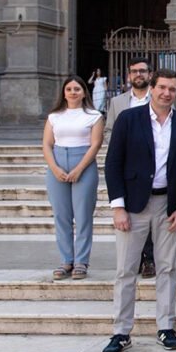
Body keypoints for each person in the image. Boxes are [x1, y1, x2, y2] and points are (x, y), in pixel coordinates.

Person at [102, 69, 176, 352]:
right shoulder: (129, 119)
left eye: (172, 89)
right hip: (133, 205)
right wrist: (118, 206)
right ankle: (121, 332)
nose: (167, 93)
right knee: (125, 270)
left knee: (167, 268)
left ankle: (165, 327)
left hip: (168, 205)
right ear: (151, 88)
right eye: (162, 88)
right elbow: (113, 163)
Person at [43, 76, 103, 281]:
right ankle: (66, 259)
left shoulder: (93, 115)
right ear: (63, 92)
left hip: (83, 162)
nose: (73, 92)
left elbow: (95, 144)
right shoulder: (54, 116)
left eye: (77, 88)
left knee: (83, 215)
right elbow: (47, 144)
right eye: (68, 89)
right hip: (57, 162)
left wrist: (79, 168)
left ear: (84, 92)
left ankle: (81, 261)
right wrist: (54, 167)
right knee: (61, 215)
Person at [106, 57, 157, 279]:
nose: (139, 75)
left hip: (153, 166)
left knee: (150, 215)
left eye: (143, 71)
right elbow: (109, 130)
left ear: (149, 75)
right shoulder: (118, 102)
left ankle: (149, 259)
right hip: (128, 167)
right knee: (133, 213)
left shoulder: (159, 97)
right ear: (128, 75)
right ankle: (134, 259)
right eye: (134, 71)